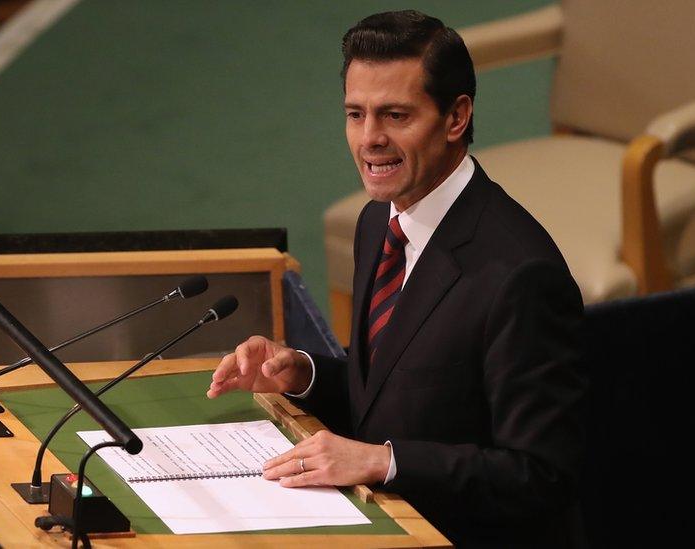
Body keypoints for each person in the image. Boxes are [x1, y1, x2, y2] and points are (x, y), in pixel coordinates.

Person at [207, 10, 586, 547]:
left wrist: (383, 462)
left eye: (395, 116)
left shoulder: (520, 275)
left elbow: (540, 475)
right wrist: (303, 375)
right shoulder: (378, 223)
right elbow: (397, 394)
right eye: (355, 114)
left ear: (456, 118)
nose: (369, 139)